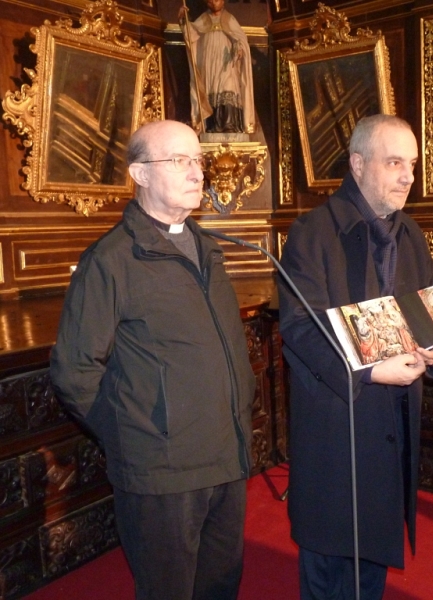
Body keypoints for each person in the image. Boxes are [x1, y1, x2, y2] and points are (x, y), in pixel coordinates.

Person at [50, 119, 256, 600]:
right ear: (140, 174)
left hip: (226, 456)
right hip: (162, 474)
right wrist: (134, 434)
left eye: (197, 160)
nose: (195, 172)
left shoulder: (209, 250)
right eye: (179, 160)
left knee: (221, 585)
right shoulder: (112, 260)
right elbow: (74, 371)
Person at [277, 114, 433, 599]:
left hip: (394, 420)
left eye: (412, 165)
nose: (407, 177)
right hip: (338, 419)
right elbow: (299, 329)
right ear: (357, 164)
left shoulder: (411, 233)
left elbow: (426, 310)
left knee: (372, 549)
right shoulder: (311, 234)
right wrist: (371, 370)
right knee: (331, 558)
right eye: (394, 162)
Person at [179, 0, 254, 134]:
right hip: (209, 60)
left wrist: (239, 48)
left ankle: (229, 124)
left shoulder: (229, 19)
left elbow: (240, 39)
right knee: (211, 87)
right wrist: (183, 20)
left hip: (227, 60)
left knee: (228, 84)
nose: (214, 2)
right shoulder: (203, 19)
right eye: (211, 0)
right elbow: (190, 35)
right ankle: (213, 124)